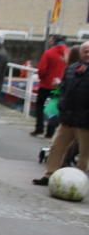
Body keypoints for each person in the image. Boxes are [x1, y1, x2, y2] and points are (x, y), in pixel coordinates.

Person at [33, 41, 89, 183]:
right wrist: (62, 105)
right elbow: (64, 89)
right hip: (68, 118)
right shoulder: (71, 69)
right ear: (80, 53)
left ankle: (79, 180)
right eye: (85, 51)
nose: (87, 54)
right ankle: (50, 174)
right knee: (56, 147)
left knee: (84, 153)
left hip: (85, 120)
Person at [33, 36, 70, 137]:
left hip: (46, 84)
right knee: (54, 108)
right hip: (61, 85)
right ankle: (50, 131)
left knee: (40, 106)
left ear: (54, 42)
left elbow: (42, 69)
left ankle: (39, 128)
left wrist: (42, 78)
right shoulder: (69, 53)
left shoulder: (49, 53)